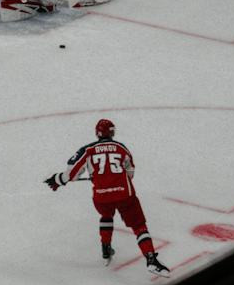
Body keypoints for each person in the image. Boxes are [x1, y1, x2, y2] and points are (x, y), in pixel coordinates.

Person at [45, 118, 169, 275]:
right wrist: (116, 178)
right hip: (125, 194)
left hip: (101, 197)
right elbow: (131, 172)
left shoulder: (88, 150)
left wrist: (58, 180)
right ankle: (151, 259)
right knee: (138, 225)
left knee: (106, 215)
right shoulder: (121, 147)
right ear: (112, 132)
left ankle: (106, 248)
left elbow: (72, 174)